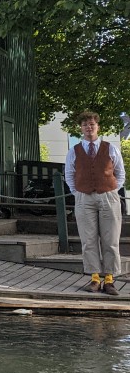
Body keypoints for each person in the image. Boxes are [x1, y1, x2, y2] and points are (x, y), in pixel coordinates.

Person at [64, 111, 126, 295]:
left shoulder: (110, 148)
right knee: (88, 239)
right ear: (81, 129)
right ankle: (94, 278)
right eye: (85, 125)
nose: (88, 128)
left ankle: (109, 279)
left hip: (108, 196)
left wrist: (111, 190)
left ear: (97, 127)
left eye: (92, 124)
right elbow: (69, 175)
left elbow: (120, 173)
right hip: (84, 197)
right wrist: (78, 193)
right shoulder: (74, 151)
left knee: (111, 239)